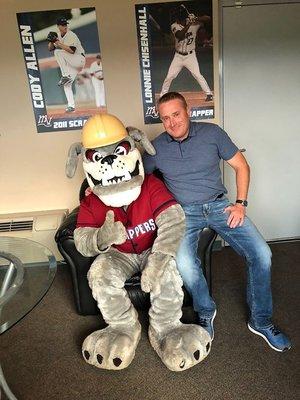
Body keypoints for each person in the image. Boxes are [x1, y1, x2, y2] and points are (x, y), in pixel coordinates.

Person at [142, 91, 291, 352]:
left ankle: (260, 321)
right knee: (186, 264)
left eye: (176, 114)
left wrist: (241, 204)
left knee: (262, 254)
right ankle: (205, 311)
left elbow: (241, 166)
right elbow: (132, 175)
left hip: (220, 205)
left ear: (187, 111)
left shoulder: (212, 134)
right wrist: (95, 190)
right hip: (184, 212)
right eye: (165, 118)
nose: (172, 123)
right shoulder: (156, 148)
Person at [159, 5, 213, 101]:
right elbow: (180, 35)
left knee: (197, 75)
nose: (176, 19)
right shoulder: (174, 25)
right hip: (178, 56)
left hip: (190, 56)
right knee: (169, 76)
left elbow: (208, 18)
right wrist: (189, 23)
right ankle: (162, 95)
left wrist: (196, 18)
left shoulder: (195, 23)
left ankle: (209, 94)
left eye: (177, 17)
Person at [48, 17, 85, 113]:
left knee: (58, 52)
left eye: (66, 24)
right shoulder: (58, 36)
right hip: (71, 64)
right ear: (58, 26)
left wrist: (57, 42)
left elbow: (71, 50)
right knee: (67, 85)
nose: (65, 26)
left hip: (78, 59)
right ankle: (71, 106)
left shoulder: (71, 35)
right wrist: (51, 41)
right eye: (63, 24)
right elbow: (50, 48)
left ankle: (65, 76)